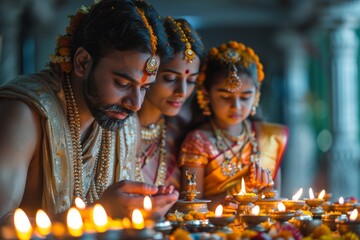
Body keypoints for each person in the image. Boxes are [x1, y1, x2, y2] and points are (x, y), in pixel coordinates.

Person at [0, 0, 179, 222]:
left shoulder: (127, 125)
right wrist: (96, 214)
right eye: (122, 83)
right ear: (83, 62)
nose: (136, 104)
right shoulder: (25, 114)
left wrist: (142, 213)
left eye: (144, 88)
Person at [178, 41, 288, 209]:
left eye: (245, 97)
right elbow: (192, 208)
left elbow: (275, 201)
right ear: (206, 95)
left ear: (256, 95)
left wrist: (266, 191)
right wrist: (243, 188)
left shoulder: (268, 137)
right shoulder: (198, 141)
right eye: (225, 97)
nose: (236, 106)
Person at [136, 16, 205, 190]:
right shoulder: (115, 129)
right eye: (170, 78)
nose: (182, 92)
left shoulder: (181, 133)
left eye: (191, 81)